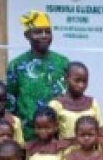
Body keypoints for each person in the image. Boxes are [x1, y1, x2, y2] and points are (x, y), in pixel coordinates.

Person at [6, 10, 69, 140]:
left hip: (57, 137)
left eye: (48, 31)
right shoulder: (16, 65)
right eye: (38, 32)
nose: (44, 36)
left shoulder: (63, 63)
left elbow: (69, 98)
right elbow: (10, 104)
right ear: (27, 35)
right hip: (27, 136)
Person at [49, 62, 103, 142]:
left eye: (84, 81)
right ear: (66, 79)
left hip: (90, 152)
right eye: (77, 81)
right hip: (65, 151)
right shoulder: (56, 104)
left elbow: (100, 129)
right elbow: (49, 133)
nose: (81, 85)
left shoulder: (92, 103)